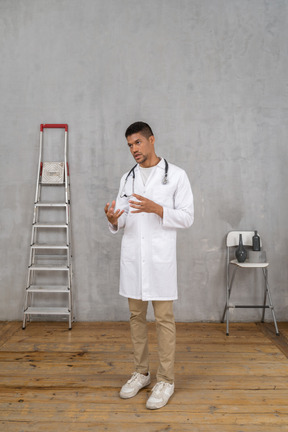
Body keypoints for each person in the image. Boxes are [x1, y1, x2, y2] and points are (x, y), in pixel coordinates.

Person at [104, 121, 194, 409]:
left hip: (160, 259)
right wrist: (114, 220)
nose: (134, 150)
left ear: (152, 140)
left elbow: (187, 217)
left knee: (164, 319)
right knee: (136, 318)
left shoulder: (176, 176)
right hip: (134, 258)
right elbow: (124, 216)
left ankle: (165, 379)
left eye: (138, 143)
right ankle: (141, 373)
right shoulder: (127, 179)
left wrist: (158, 209)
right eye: (130, 145)